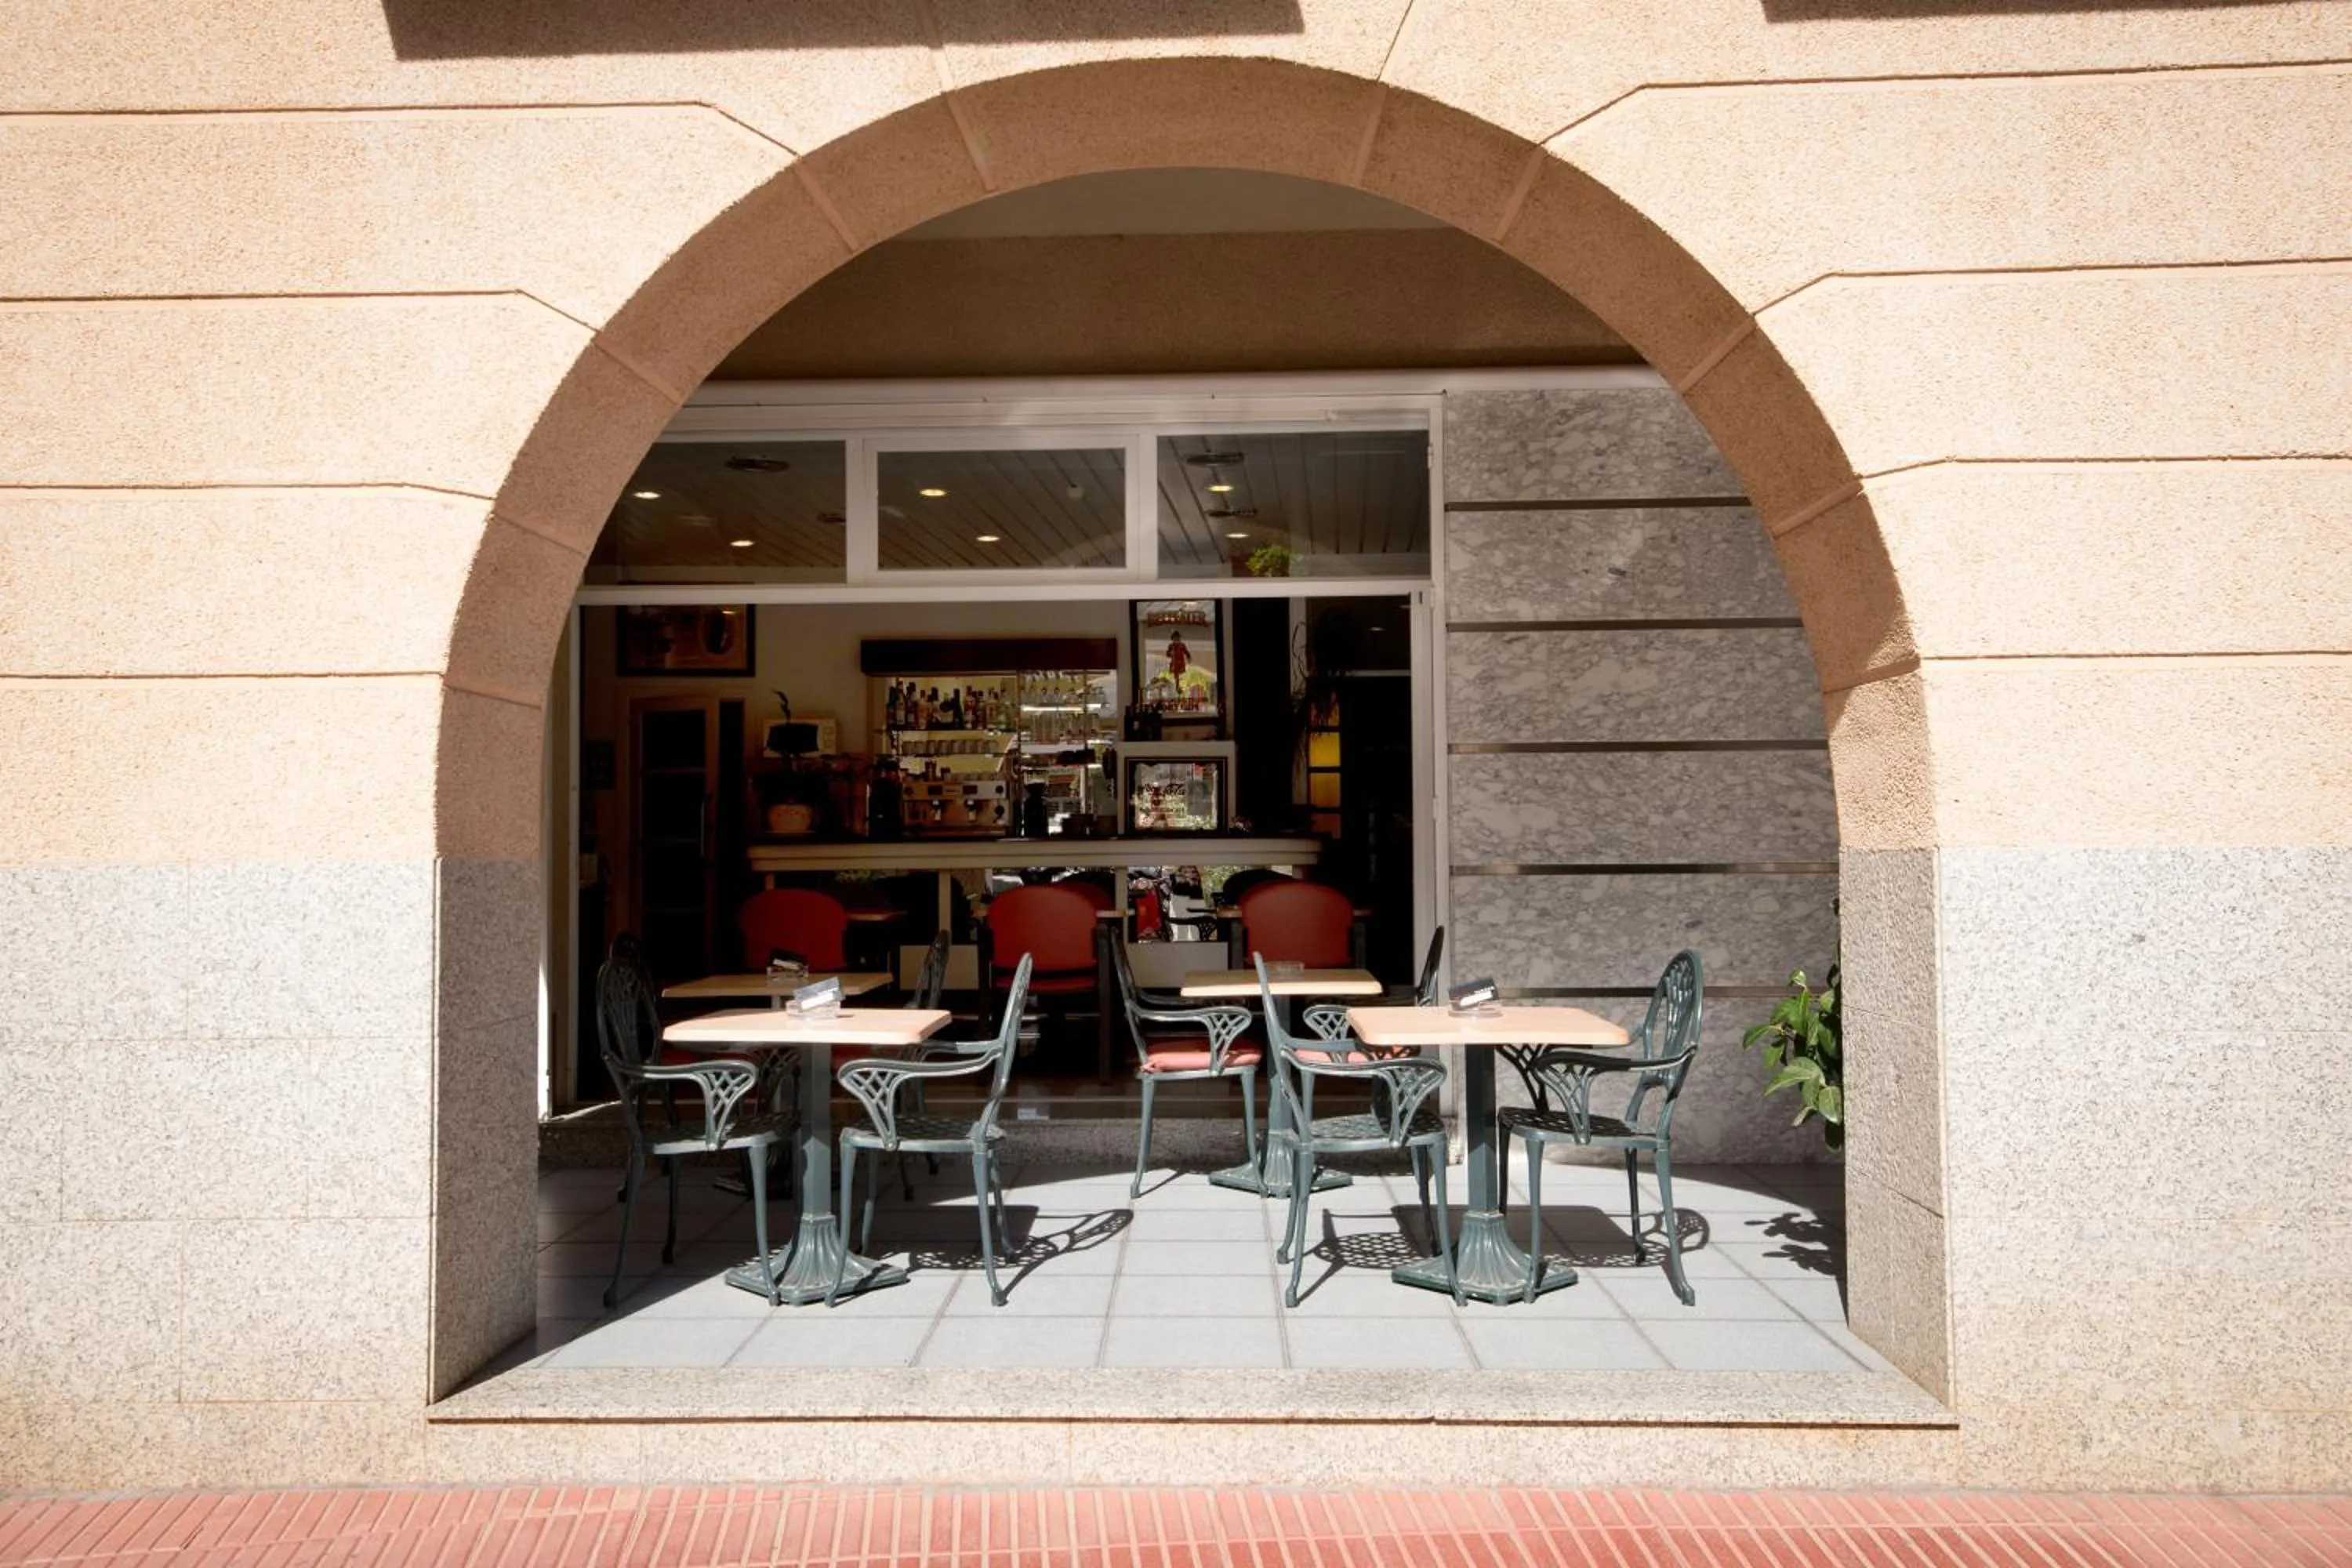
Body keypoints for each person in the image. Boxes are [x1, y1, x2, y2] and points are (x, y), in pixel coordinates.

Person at [1152, 631, 1216, 711]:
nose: (1176, 640)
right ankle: (1177, 687)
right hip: (1174, 663)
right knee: (1176, 676)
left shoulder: (1182, 645)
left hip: (1180, 663)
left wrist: (1189, 658)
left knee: (1180, 676)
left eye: (1177, 638)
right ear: (1173, 639)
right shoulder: (1171, 646)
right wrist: (1170, 653)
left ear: (1179, 638)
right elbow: (1167, 654)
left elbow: (1187, 652)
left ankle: (1179, 688)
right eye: (1175, 639)